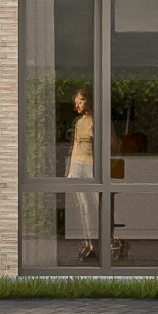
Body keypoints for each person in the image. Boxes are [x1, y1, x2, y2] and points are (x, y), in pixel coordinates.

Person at [67, 88, 96, 262]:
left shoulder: (97, 121)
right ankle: (89, 245)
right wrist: (71, 171)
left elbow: (112, 146)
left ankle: (108, 241)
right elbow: (76, 147)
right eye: (76, 101)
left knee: (98, 206)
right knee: (83, 207)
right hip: (78, 167)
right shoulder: (79, 123)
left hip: (92, 167)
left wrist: (95, 136)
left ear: (90, 101)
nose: (77, 104)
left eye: (81, 100)